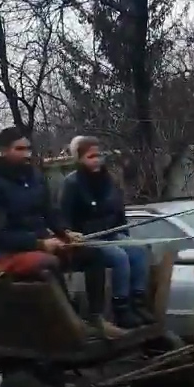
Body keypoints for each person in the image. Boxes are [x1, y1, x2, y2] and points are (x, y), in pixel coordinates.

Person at [0, 126, 124, 338]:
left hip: (41, 245)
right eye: (20, 149)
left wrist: (65, 232)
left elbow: (50, 212)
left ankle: (96, 318)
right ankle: (70, 323)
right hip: (9, 253)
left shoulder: (35, 176)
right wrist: (39, 243)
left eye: (28, 148)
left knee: (93, 256)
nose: (27, 153)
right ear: (4, 151)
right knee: (48, 263)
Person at [60, 136, 154, 329]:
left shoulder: (108, 180)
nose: (96, 160)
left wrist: (124, 233)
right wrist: (70, 235)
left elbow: (118, 209)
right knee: (119, 257)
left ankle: (138, 303)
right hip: (88, 239)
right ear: (80, 159)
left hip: (111, 232)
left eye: (98, 155)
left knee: (138, 251)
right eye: (90, 156)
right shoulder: (72, 184)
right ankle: (121, 308)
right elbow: (64, 217)